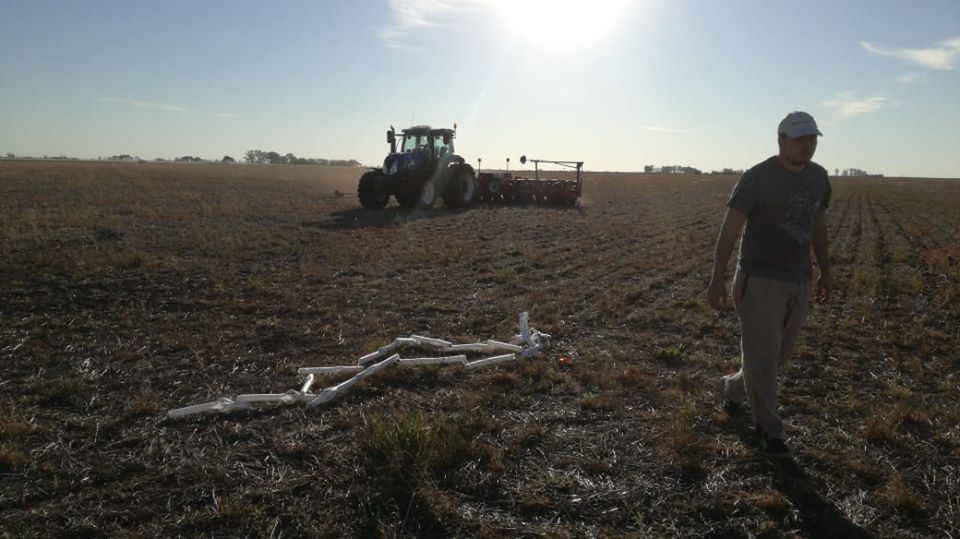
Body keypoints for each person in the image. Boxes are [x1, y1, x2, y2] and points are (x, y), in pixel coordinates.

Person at [706, 111, 832, 458]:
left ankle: (733, 388)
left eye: (813, 139)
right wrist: (717, 278)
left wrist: (826, 270)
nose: (808, 146)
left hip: (799, 278)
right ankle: (769, 431)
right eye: (801, 139)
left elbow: (817, 226)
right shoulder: (757, 178)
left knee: (778, 355)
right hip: (759, 279)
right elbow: (730, 230)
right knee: (762, 357)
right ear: (781, 140)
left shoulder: (819, 178)